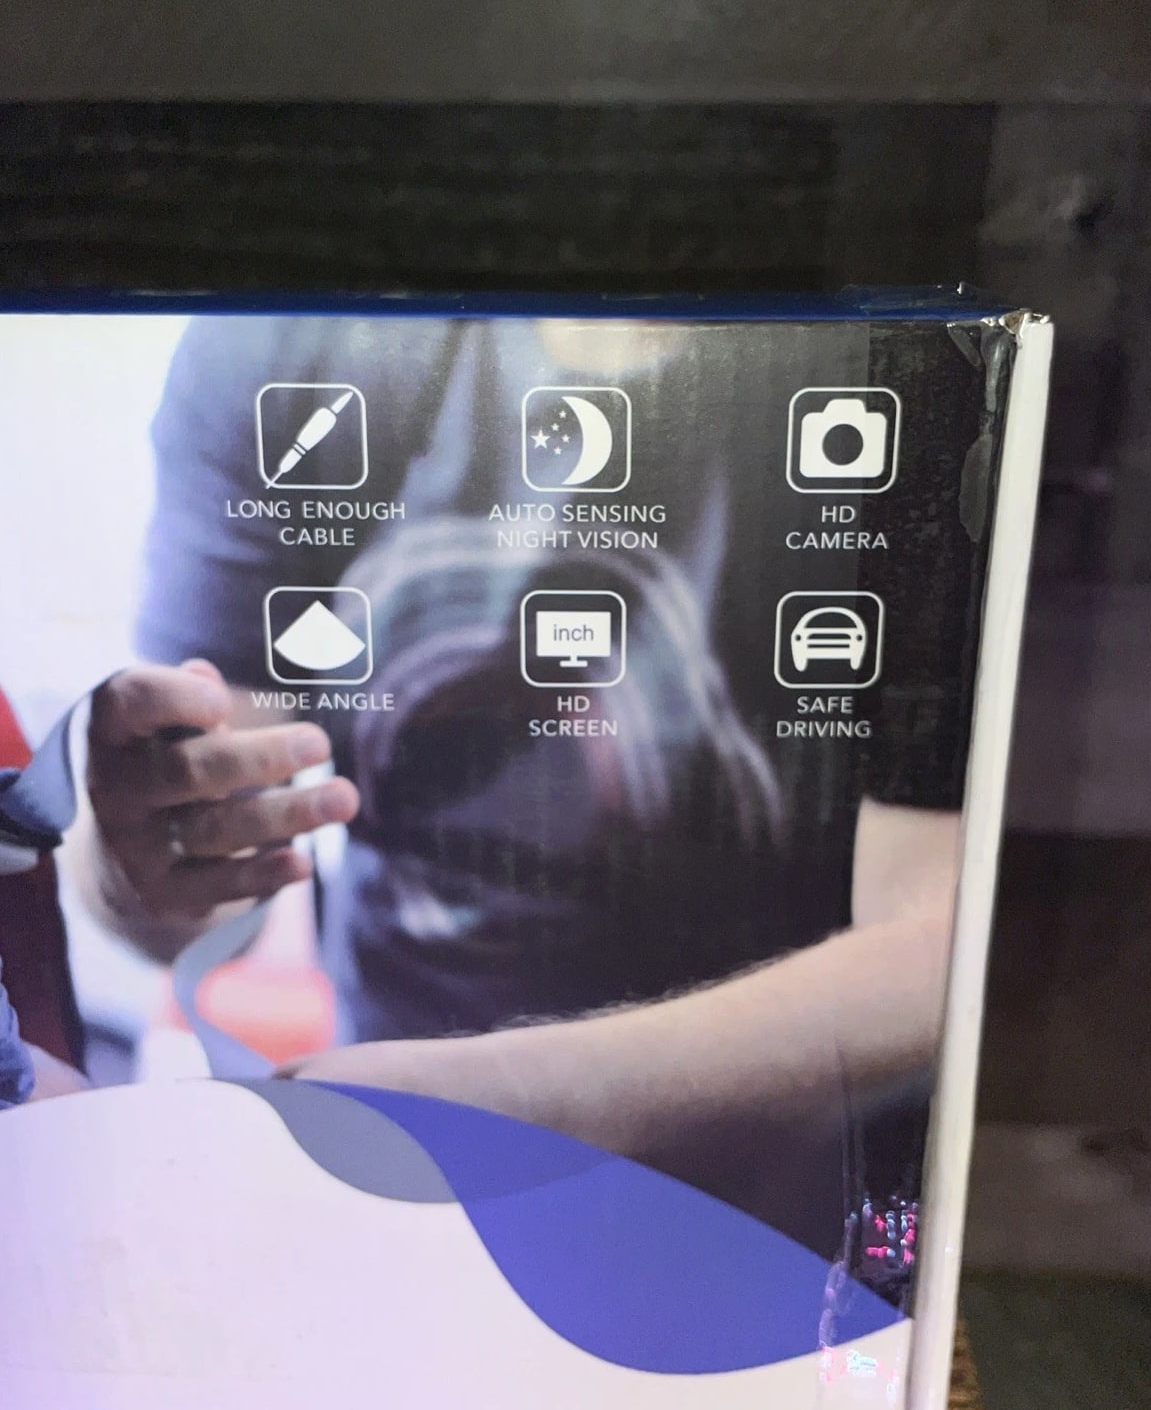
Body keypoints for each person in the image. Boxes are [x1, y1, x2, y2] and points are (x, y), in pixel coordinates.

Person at [71, 313, 970, 1253]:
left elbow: (943, 936)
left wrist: (501, 1105)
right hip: (408, 1160)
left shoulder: (902, 367)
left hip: (785, 1221)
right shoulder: (283, 345)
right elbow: (191, 867)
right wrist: (134, 868)